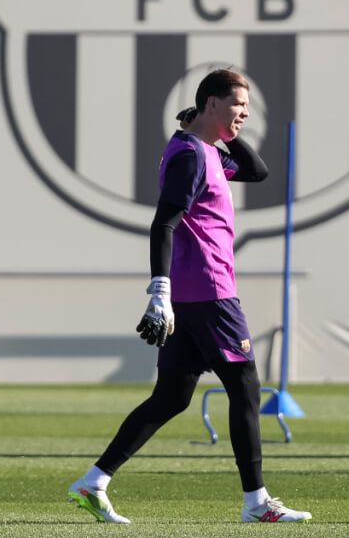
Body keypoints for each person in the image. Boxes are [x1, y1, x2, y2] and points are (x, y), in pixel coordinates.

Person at [67, 69, 312, 524]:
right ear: (211, 104)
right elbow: (164, 222)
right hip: (209, 293)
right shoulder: (191, 156)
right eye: (238, 106)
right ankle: (257, 503)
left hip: (196, 294)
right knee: (245, 388)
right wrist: (159, 288)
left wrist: (220, 132)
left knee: (172, 397)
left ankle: (94, 481)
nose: (244, 115)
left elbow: (258, 172)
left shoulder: (208, 153)